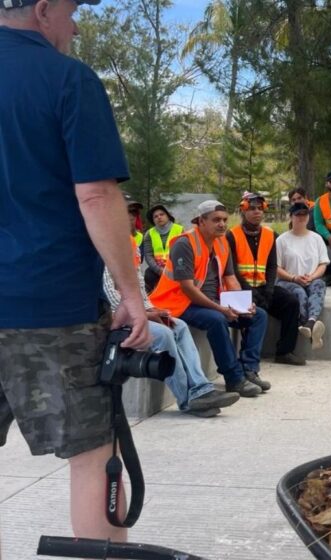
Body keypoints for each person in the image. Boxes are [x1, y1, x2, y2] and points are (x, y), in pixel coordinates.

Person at [0, 0, 151, 543]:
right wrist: (132, 296)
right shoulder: (69, 80)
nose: (77, 24)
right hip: (50, 308)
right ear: (42, 10)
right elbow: (95, 193)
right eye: (71, 11)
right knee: (92, 457)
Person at [106, 202, 240, 417]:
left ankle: (201, 390)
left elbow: (139, 288)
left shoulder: (130, 244)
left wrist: (152, 310)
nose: (129, 220)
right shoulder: (102, 250)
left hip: (141, 313)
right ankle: (188, 399)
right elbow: (113, 300)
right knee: (165, 334)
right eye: (123, 216)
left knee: (180, 326)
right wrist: (146, 314)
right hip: (114, 319)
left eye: (132, 215)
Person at [149, 200, 268, 398]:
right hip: (178, 303)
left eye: (224, 220)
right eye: (216, 220)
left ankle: (249, 369)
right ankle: (234, 378)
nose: (222, 224)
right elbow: (188, 288)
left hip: (209, 302)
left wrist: (242, 304)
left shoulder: (221, 242)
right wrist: (221, 309)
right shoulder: (184, 244)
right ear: (201, 221)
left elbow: (230, 278)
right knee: (216, 319)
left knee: (258, 316)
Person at [226, 192, 305, 367]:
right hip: (239, 288)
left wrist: (269, 289)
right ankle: (246, 358)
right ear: (243, 211)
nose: (257, 212)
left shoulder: (270, 235)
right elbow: (231, 269)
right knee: (254, 312)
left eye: (260, 209)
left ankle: (284, 351)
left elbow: (271, 266)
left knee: (291, 302)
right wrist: (250, 291)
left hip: (264, 287)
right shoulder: (231, 235)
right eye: (252, 209)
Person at [276, 202, 329, 349]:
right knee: (299, 293)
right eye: (297, 215)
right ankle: (311, 330)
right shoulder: (282, 240)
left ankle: (310, 323)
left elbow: (323, 264)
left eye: (304, 214)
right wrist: (293, 278)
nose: (301, 218)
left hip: (311, 278)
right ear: (291, 217)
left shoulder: (316, 238)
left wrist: (312, 277)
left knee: (319, 286)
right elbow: (277, 267)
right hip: (288, 280)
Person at [142, 203, 183, 292]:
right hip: (158, 268)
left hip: (176, 267)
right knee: (148, 274)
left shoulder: (180, 230)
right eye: (155, 216)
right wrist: (159, 270)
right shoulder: (149, 234)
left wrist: (174, 268)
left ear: (168, 216)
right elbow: (148, 255)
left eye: (162, 214)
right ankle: (150, 298)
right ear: (153, 220)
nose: (159, 217)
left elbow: (184, 252)